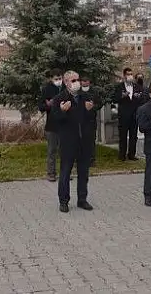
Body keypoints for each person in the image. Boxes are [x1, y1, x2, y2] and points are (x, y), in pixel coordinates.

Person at [51, 70, 96, 213]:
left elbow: (91, 118)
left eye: (78, 79)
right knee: (65, 171)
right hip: (68, 141)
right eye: (73, 80)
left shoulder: (85, 96)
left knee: (84, 172)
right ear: (66, 82)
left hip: (84, 140)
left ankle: (82, 199)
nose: (77, 83)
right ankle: (63, 201)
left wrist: (90, 110)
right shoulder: (59, 98)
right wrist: (63, 111)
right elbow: (55, 120)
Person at [38, 69, 64, 181]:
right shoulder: (46, 89)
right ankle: (51, 173)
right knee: (52, 150)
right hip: (52, 125)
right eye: (56, 79)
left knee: (65, 151)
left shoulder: (66, 88)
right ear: (51, 79)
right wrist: (49, 105)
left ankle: (65, 172)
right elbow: (41, 106)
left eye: (60, 78)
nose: (58, 81)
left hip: (65, 124)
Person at [112, 68, 143, 161]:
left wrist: (138, 97)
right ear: (124, 75)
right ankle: (122, 155)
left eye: (131, 74)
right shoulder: (119, 86)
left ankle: (131, 154)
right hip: (124, 115)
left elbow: (141, 97)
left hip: (134, 115)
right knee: (123, 136)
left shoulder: (136, 86)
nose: (130, 76)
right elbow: (115, 98)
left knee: (133, 136)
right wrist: (122, 96)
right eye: (128, 74)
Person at [80, 76, 103, 167]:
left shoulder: (94, 92)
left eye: (86, 80)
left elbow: (100, 103)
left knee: (90, 141)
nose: (84, 82)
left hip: (91, 120)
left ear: (89, 82)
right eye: (83, 81)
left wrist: (93, 106)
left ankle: (91, 160)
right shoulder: (77, 92)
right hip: (80, 120)